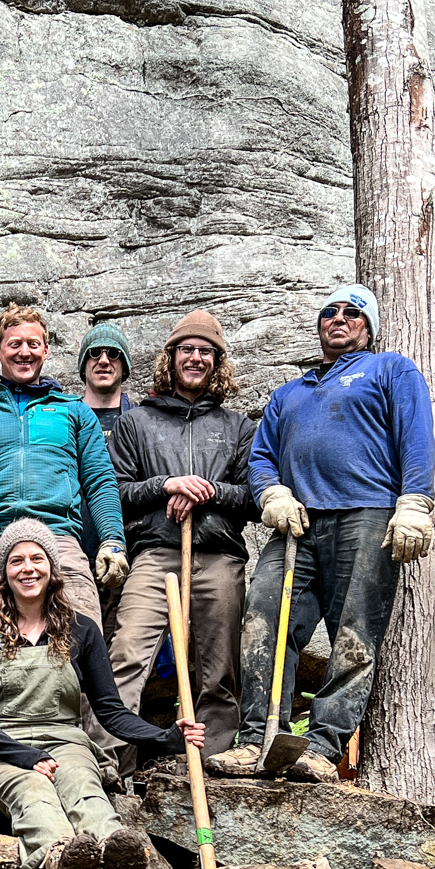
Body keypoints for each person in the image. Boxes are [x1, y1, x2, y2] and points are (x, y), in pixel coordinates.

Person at [208, 284, 435, 783]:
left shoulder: (390, 369)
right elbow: (262, 456)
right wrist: (272, 495)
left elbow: (416, 434)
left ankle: (324, 746)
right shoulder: (289, 394)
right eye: (329, 312)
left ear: (368, 327)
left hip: (368, 516)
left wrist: (416, 501)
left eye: (352, 312)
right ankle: (258, 739)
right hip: (299, 523)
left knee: (355, 632)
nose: (338, 318)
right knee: (264, 614)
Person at [0, 520, 203, 869]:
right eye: (16, 560)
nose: (28, 568)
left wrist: (167, 737)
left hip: (66, 742)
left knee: (84, 789)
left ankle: (116, 861)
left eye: (37, 558)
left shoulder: (82, 631)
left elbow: (110, 711)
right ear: (4, 572)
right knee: (33, 792)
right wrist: (27, 757)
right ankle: (62, 864)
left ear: (53, 569)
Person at [106, 311, 256, 757]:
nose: (195, 358)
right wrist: (166, 485)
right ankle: (111, 759)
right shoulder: (138, 422)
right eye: (186, 350)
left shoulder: (238, 426)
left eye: (205, 351)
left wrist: (205, 491)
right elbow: (114, 489)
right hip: (155, 555)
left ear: (217, 361)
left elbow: (253, 498)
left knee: (218, 668)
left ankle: (210, 764)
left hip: (218, 556)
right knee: (127, 653)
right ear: (170, 358)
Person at [0, 304, 128, 624]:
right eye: (15, 344)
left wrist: (112, 540)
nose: (24, 352)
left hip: (61, 539)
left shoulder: (74, 411)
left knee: (80, 646)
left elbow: (100, 481)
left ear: (45, 350)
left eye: (33, 344)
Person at [78, 321, 136, 441]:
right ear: (83, 367)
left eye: (113, 353)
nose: (103, 360)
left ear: (124, 367)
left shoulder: (141, 420)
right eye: (95, 353)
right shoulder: (68, 420)